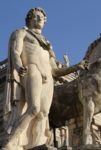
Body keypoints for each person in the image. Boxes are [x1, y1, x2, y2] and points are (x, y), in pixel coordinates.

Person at [3, 7, 86, 149]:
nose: (40, 19)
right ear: (29, 19)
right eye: (36, 16)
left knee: (43, 113)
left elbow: (56, 71)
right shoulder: (21, 32)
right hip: (32, 68)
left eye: (42, 17)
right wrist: (18, 66)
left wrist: (77, 67)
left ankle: (36, 144)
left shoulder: (48, 45)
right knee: (34, 108)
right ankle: (10, 141)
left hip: (48, 76)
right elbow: (15, 52)